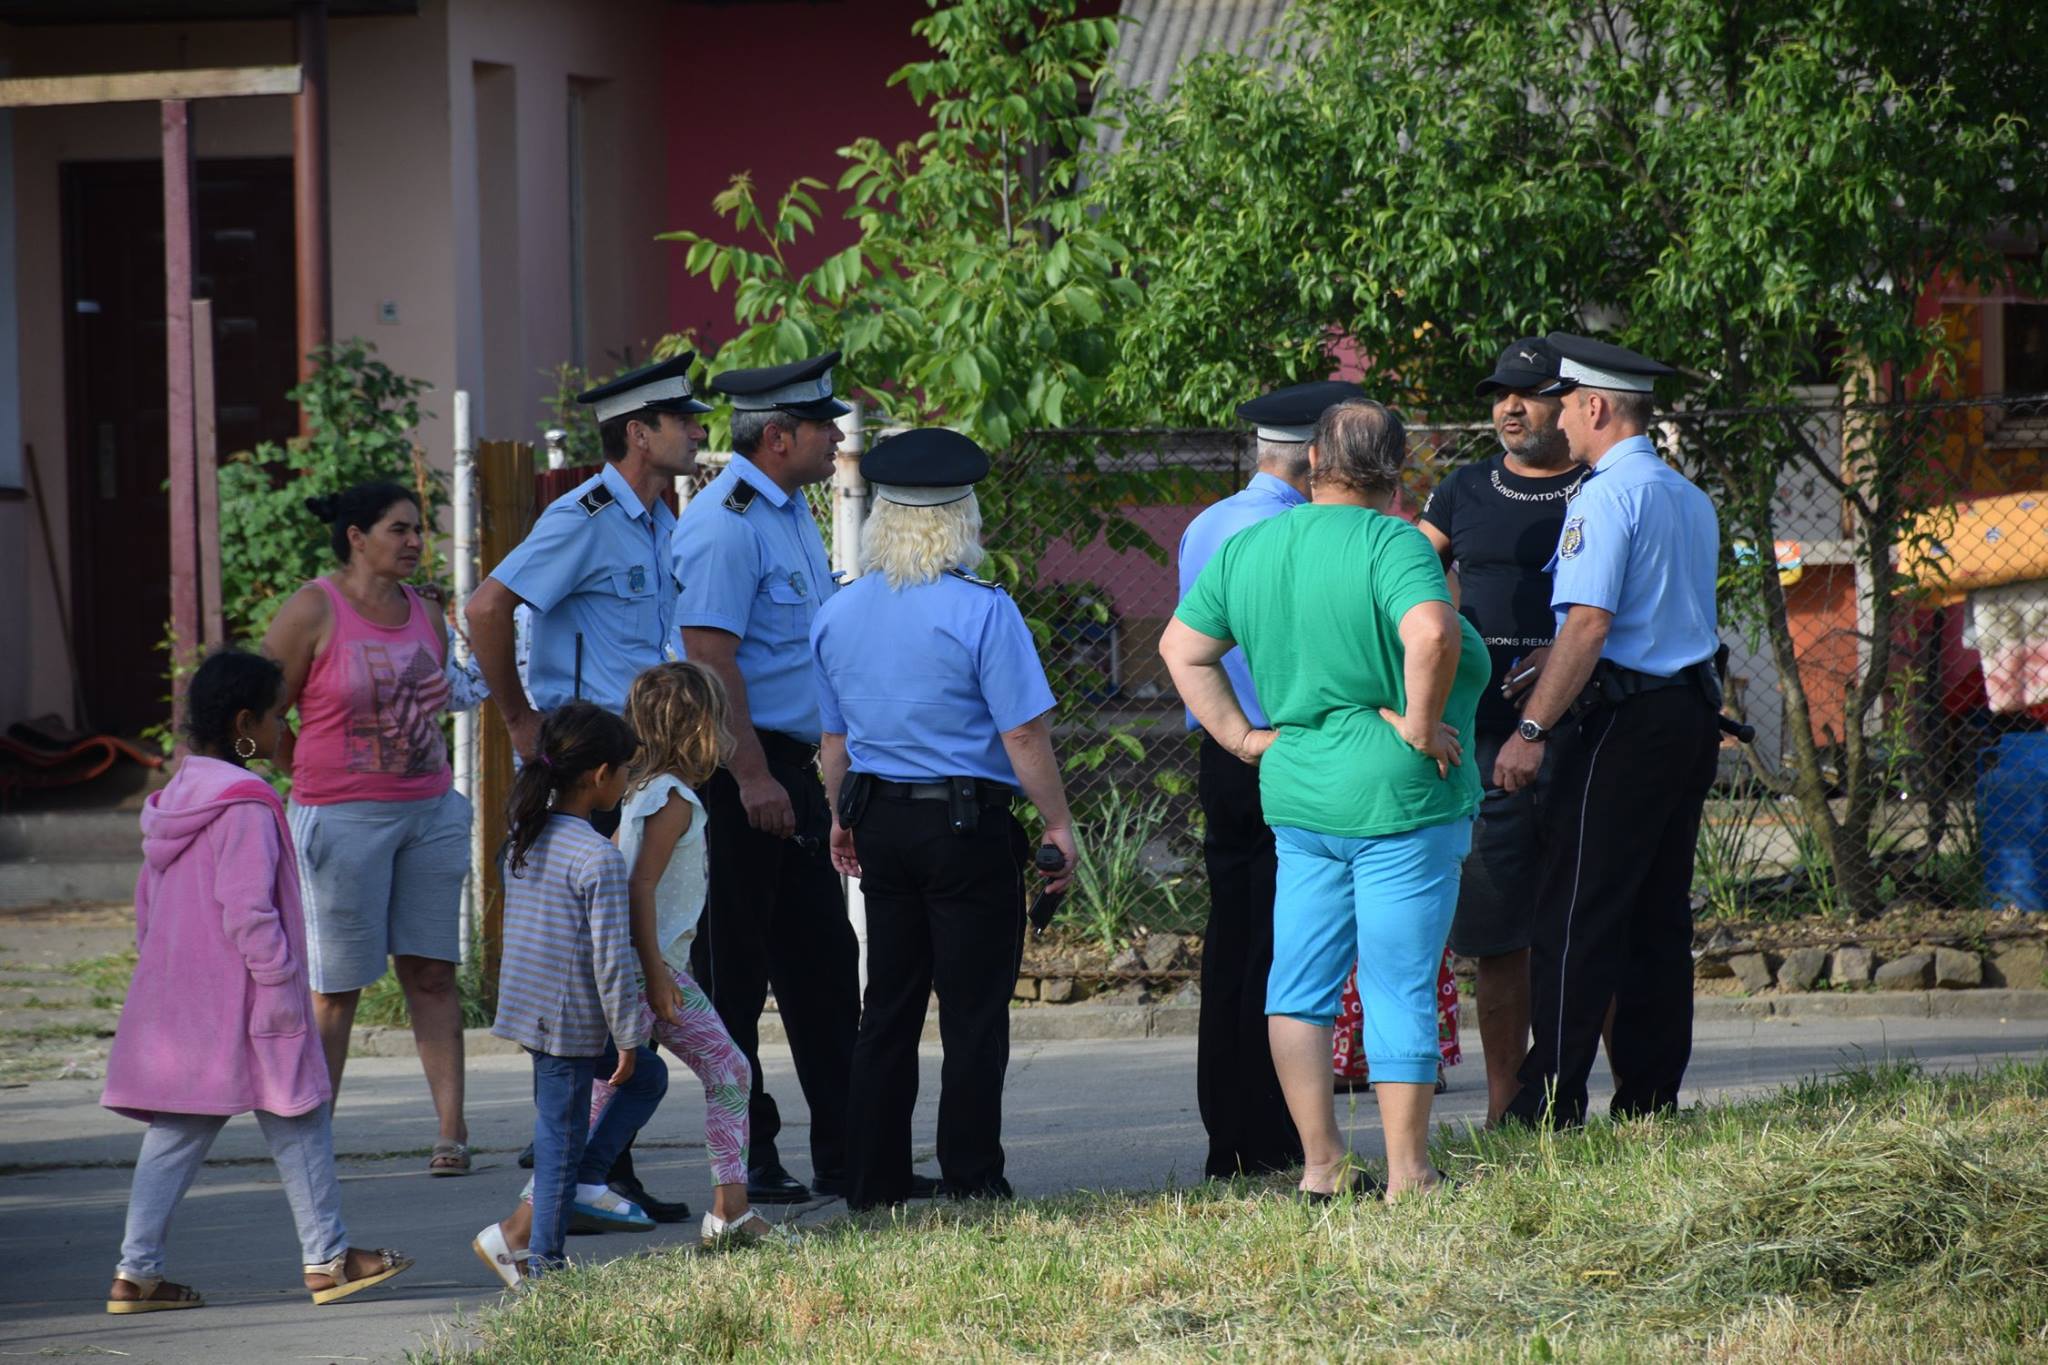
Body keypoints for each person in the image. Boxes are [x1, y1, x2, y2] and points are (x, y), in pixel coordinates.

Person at [1160, 399, 1487, 1200]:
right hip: (1401, 799)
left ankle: (1320, 1166)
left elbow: (1181, 648)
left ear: (1313, 462)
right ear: (1397, 468)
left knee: (1297, 985)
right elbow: (1435, 635)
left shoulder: (1255, 545)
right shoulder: (1395, 543)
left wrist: (1242, 739)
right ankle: (1409, 1172)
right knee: (1398, 980)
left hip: (1300, 792)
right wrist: (1416, 724)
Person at [466, 353, 710, 1220]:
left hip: (637, 766)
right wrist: (519, 720)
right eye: (682, 419)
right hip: (594, 771)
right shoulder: (586, 515)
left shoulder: (655, 520)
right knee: (604, 974)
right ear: (638, 433)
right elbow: (487, 606)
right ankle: (575, 1172)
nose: (697, 429)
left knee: (628, 968)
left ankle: (588, 1165)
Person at [811, 428, 1079, 1211]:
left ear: (882, 520)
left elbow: (834, 738)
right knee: (971, 1008)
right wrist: (1057, 824)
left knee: (887, 1004)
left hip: (880, 821)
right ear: (961, 518)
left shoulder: (840, 611)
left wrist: (839, 816)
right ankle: (970, 1173)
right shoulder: (985, 612)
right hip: (966, 828)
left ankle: (873, 1176)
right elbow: (1022, 733)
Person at [102, 649, 412, 1313]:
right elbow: (250, 911)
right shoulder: (246, 803)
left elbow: (147, 905)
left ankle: (136, 1272)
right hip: (252, 997)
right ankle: (327, 1258)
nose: (283, 729)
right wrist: (280, 987)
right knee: (299, 1115)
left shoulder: (175, 797)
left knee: (179, 1132)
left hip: (186, 1001)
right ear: (245, 723)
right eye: (278, 716)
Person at [1495, 333, 1721, 1129]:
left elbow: (1590, 625)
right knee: (1659, 914)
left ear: (1593, 407)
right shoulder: (1688, 496)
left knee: (1577, 913)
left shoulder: (1601, 497)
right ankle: (1650, 1099)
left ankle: (1547, 1103)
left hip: (1621, 724)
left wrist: (1530, 727)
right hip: (1688, 714)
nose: (1555, 419)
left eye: (1561, 405)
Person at [672, 350, 865, 1204]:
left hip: (789, 767)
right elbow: (710, 660)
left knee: (824, 961)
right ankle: (746, 1157)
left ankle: (850, 1151)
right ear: (779, 436)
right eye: (824, 426)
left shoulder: (787, 511)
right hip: (736, 774)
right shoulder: (726, 522)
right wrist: (751, 775)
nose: (836, 438)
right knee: (736, 974)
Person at [1175, 379, 1361, 1180]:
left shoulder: (1208, 523)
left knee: (1234, 944)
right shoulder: (1306, 535)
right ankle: (1278, 1134)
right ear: (1317, 456)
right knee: (1291, 948)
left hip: (1228, 747)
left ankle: (1236, 1132)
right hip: (1289, 749)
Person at [261, 481, 473, 1176]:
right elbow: (260, 709)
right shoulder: (312, 608)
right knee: (335, 985)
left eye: (418, 528)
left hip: (428, 811)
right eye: (398, 529)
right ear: (356, 536)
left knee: (433, 971)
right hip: (340, 820)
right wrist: (300, 770)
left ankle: (451, 1132)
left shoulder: (426, 613)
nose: (414, 540)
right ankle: (313, 1139)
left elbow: (437, 700)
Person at [1414, 337, 1587, 1123]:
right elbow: (1408, 579)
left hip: (1588, 726)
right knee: (1495, 931)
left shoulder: (1602, 487)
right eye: (1499, 393)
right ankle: (1502, 1103)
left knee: (1592, 916)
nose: (1510, 407)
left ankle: (1614, 1101)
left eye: (1528, 392)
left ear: (1573, 401)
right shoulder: (1461, 488)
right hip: (1484, 736)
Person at [475, 702, 648, 1281]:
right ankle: (545, 1265)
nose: (627, 780)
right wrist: (629, 1036)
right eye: (626, 768)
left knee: (648, 1079)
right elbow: (612, 961)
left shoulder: (527, 834)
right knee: (557, 1144)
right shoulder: (598, 855)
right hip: (568, 1026)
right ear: (601, 775)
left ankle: (586, 1181)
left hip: (533, 1014)